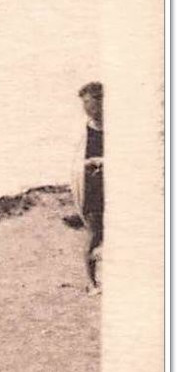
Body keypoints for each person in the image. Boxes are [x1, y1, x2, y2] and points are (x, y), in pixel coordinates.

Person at [75, 81, 104, 289]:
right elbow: (75, 163)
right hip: (92, 188)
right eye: (84, 103)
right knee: (94, 233)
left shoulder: (114, 128)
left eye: (90, 102)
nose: (87, 107)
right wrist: (88, 163)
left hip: (112, 186)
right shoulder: (83, 132)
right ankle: (92, 282)